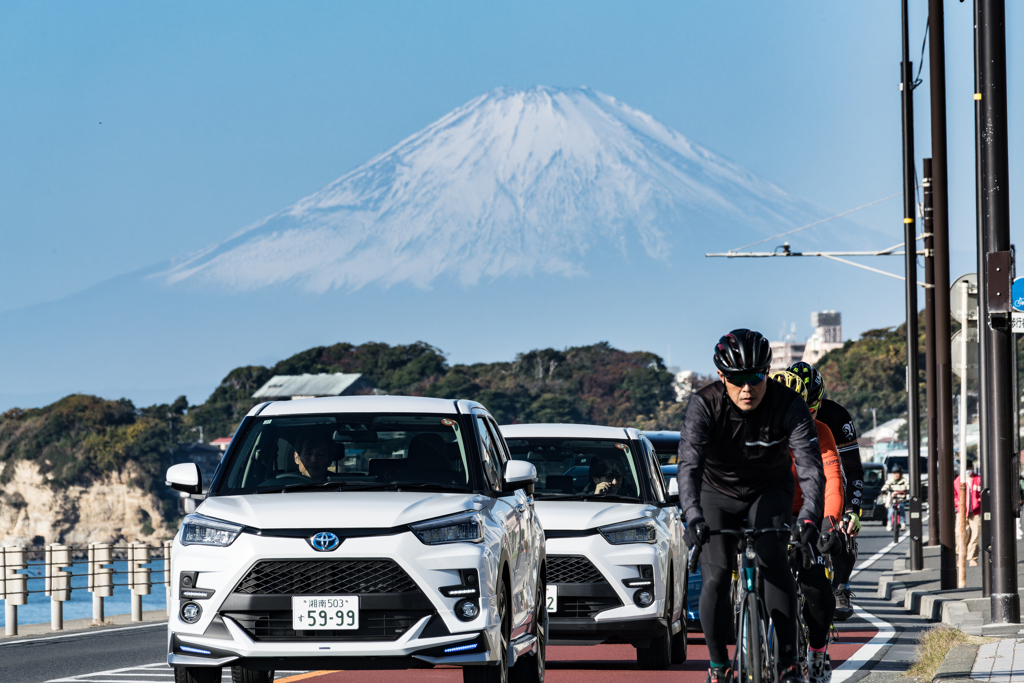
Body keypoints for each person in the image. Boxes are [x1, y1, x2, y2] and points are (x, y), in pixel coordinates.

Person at [678, 329, 825, 683]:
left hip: (769, 489)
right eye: (737, 379)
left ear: (768, 372)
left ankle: (789, 661)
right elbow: (689, 466)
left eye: (756, 377)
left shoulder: (789, 404)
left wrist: (808, 518)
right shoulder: (704, 404)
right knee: (714, 575)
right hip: (717, 493)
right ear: (721, 377)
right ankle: (717, 667)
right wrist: (693, 516)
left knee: (774, 560)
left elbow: (809, 465)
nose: (747, 388)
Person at [771, 371, 844, 683]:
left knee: (816, 586)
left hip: (807, 510)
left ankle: (816, 651)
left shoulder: (820, 431)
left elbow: (832, 480)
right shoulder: (755, 429)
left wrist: (830, 521)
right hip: (769, 511)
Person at [788, 362, 864, 622]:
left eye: (811, 408)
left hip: (825, 491)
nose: (805, 416)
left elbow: (850, 470)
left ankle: (841, 585)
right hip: (790, 498)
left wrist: (850, 512)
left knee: (840, 528)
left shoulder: (834, 418)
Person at [954, 458, 982, 566]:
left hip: (976, 511)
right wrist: (958, 504)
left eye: (968, 468)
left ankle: (972, 558)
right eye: (965, 469)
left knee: (975, 534)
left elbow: (982, 494)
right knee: (960, 534)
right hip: (961, 511)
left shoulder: (978, 479)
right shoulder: (958, 480)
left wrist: (979, 502)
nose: (967, 471)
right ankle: (961, 557)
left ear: (972, 468)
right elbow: (955, 495)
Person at [880, 464, 910, 531]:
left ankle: (903, 523)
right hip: (892, 499)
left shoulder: (904, 481)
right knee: (890, 511)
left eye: (897, 473)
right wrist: (883, 490)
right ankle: (889, 523)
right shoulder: (890, 481)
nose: (896, 475)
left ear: (901, 474)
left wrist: (908, 491)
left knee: (901, 509)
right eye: (894, 473)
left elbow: (908, 486)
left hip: (901, 499)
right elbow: (886, 486)